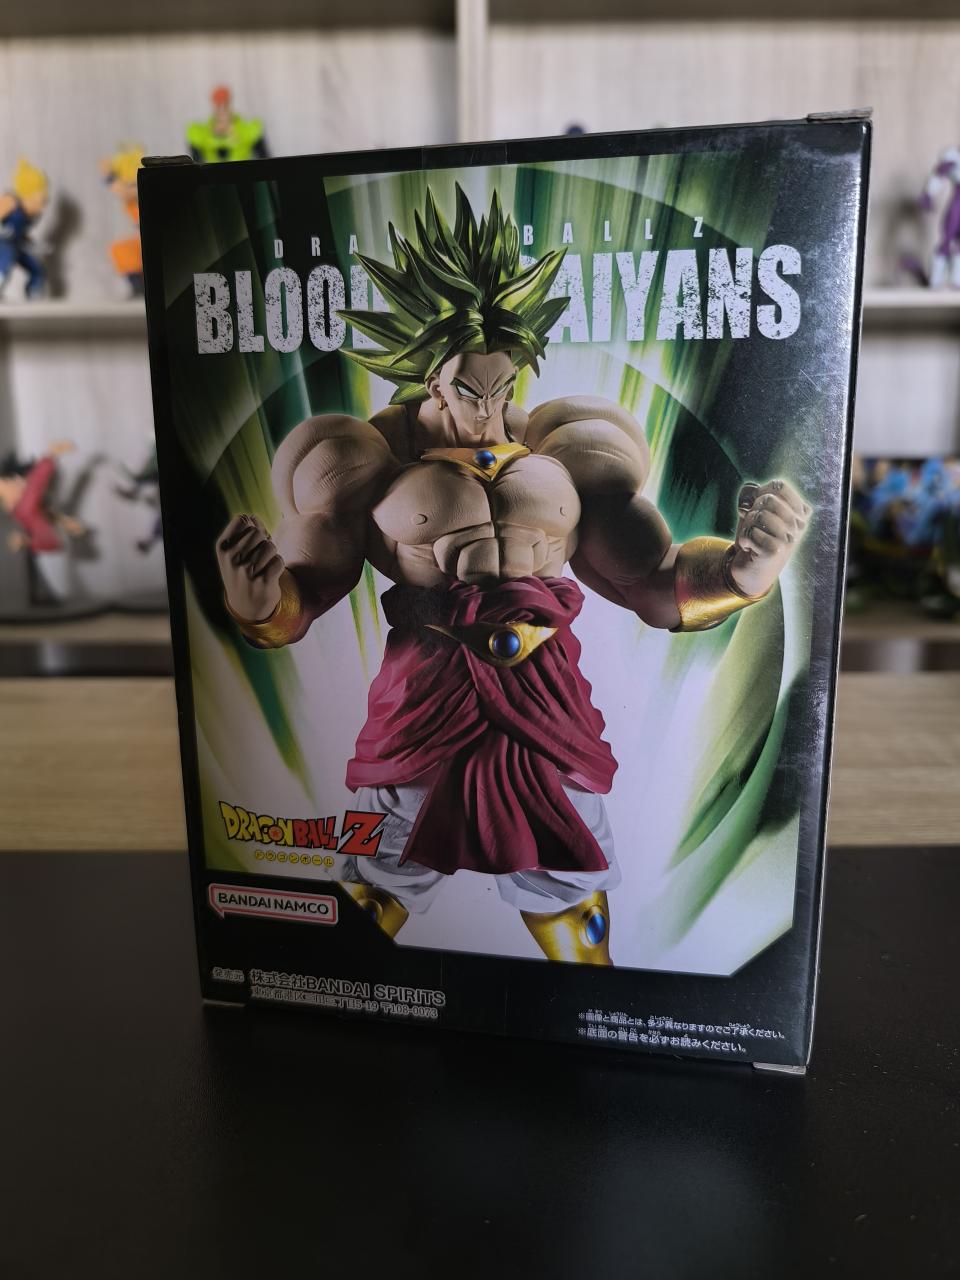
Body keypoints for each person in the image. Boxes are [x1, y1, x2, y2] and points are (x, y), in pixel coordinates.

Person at [217, 186, 809, 964]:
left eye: (505, 384)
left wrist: (740, 572)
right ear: (430, 374)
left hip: (543, 697)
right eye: (471, 388)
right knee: (381, 875)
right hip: (428, 696)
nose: (490, 407)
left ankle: (591, 1012)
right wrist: (261, 600)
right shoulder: (363, 461)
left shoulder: (572, 449)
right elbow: (305, 590)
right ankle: (340, 1000)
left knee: (572, 881)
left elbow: (651, 581)